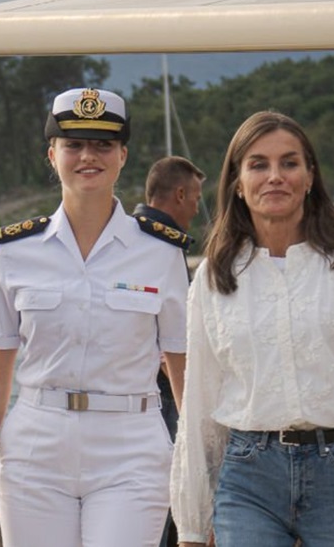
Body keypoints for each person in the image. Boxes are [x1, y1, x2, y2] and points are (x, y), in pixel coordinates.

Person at [0, 87, 190, 547]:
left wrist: (198, 469)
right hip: (37, 447)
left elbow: (180, 371)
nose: (88, 156)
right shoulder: (15, 251)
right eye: (73, 144)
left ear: (123, 156)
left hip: (130, 448)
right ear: (52, 154)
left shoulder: (161, 253)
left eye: (102, 145)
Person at [171, 110, 334, 547]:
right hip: (248, 474)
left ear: (309, 176)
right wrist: (191, 522)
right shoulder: (213, 276)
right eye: (258, 164)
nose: (275, 176)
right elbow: (200, 403)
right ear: (238, 184)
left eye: (289, 163)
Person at [134, 156, 205, 547]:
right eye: (195, 197)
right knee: (163, 505)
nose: (196, 206)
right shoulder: (160, 243)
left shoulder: (131, 236)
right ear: (179, 194)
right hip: (160, 398)